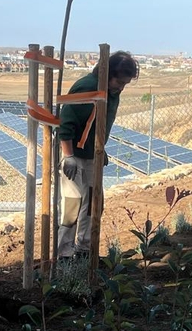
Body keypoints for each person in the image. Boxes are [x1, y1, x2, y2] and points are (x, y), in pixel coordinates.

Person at [57, 50, 140, 259]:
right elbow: (66, 122)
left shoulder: (112, 92)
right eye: (119, 82)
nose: (121, 87)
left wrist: (100, 149)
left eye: (125, 84)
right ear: (107, 74)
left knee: (94, 204)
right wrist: (69, 155)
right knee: (73, 203)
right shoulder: (87, 88)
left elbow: (98, 124)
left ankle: (84, 249)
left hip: (92, 155)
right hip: (73, 154)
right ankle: (64, 254)